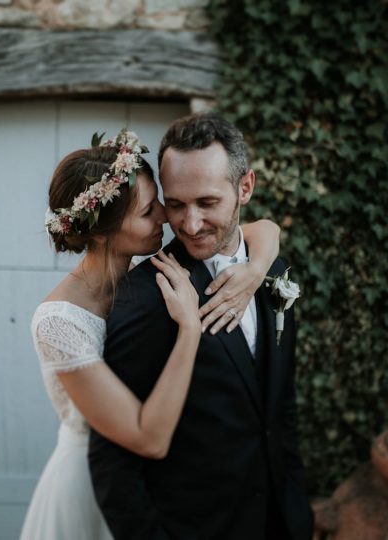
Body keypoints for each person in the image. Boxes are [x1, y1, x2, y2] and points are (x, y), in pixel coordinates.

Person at [19, 128, 282, 539]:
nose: (166, 216)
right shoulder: (58, 322)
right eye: (149, 211)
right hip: (91, 491)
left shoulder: (140, 281)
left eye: (160, 201)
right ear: (103, 231)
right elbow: (149, 437)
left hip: (164, 490)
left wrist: (255, 268)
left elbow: (261, 228)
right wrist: (190, 328)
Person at [88, 113, 314, 539]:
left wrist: (296, 506)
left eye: (207, 203)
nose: (190, 225)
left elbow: (279, 405)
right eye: (175, 204)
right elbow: (112, 461)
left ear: (245, 187)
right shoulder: (144, 299)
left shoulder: (273, 270)